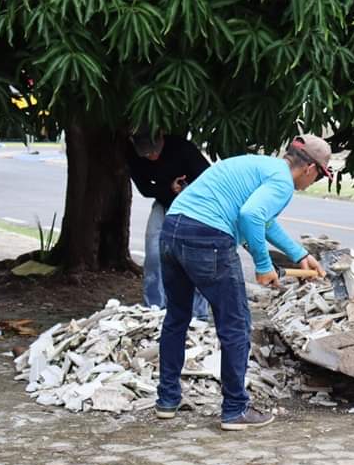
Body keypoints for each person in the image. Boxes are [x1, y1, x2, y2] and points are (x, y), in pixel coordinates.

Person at [155, 134, 331, 430]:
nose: (313, 183)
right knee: (235, 324)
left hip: (173, 230)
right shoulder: (282, 183)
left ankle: (167, 400)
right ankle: (235, 409)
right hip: (208, 238)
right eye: (319, 176)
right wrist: (263, 266)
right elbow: (251, 215)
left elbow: (264, 221)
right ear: (310, 169)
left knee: (177, 317)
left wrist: (299, 254)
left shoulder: (261, 166)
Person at [127, 130, 211, 320]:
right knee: (154, 253)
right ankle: (154, 309)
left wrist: (185, 188)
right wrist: (168, 188)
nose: (152, 156)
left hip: (194, 206)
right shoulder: (135, 155)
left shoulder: (182, 148)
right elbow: (145, 188)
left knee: (195, 257)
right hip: (164, 202)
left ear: (161, 138)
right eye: (147, 154)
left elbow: (207, 179)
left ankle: (199, 315)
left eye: (154, 151)